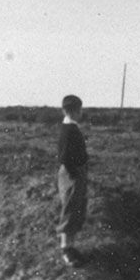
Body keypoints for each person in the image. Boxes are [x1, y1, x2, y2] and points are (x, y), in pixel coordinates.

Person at [56, 94, 89, 266]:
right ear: (75, 111)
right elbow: (65, 157)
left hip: (76, 173)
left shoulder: (70, 127)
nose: (80, 113)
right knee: (70, 208)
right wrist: (75, 174)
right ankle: (65, 250)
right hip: (72, 174)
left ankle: (71, 246)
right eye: (79, 110)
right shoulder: (69, 130)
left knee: (76, 208)